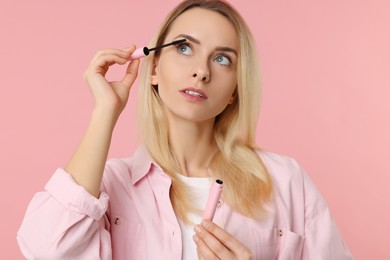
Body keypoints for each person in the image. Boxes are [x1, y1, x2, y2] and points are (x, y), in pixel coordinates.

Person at [17, 0, 353, 259]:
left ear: (235, 88)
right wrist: (105, 111)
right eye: (183, 48)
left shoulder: (285, 181)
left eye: (222, 59)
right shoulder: (107, 187)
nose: (201, 71)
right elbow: (47, 250)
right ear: (153, 68)